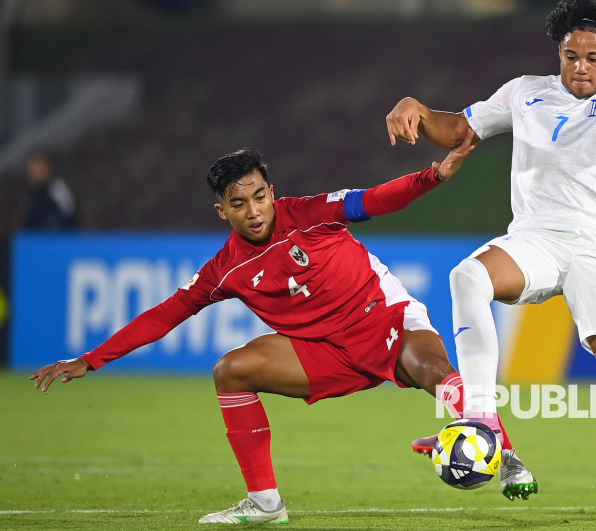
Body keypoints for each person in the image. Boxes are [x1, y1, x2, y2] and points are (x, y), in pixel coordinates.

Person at [30, 139, 533, 524]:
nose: (254, 211)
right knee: (231, 370)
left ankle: (506, 457)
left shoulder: (310, 215)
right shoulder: (224, 269)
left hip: (388, 323)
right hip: (324, 354)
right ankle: (265, 502)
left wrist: (433, 176)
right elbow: (165, 314)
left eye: (260, 196)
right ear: (221, 210)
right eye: (239, 202)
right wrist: (90, 359)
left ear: (271, 191)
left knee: (439, 373)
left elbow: (376, 200)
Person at [386, 0, 596, 528]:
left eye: (593, 57)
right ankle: (482, 419)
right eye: (570, 55)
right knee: (468, 276)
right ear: (558, 52)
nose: (580, 67)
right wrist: (418, 108)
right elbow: (461, 129)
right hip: (535, 238)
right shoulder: (525, 93)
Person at [22, 151, 78, 230]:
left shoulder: (58, 190)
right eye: (31, 169)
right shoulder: (31, 197)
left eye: (37, 168)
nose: (33, 173)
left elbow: (67, 221)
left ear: (48, 167)